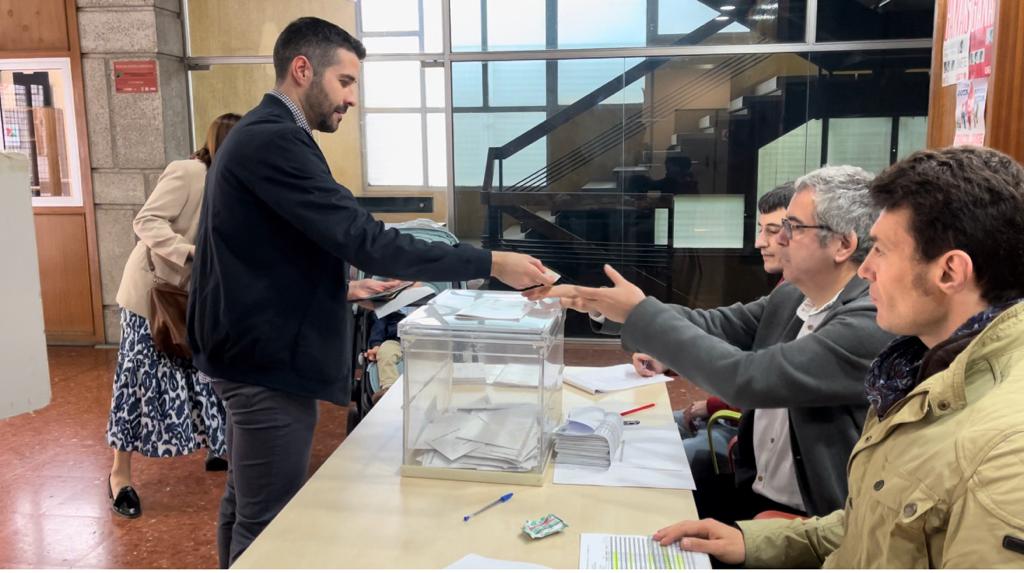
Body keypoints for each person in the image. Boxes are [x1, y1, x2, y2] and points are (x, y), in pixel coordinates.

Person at [186, 18, 552, 568]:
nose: (351, 99)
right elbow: (362, 236)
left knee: (244, 502)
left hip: (246, 349)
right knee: (267, 522)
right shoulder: (274, 138)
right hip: (265, 362)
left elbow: (269, 248)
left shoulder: (264, 133)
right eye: (345, 81)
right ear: (302, 69)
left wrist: (348, 287)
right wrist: (490, 261)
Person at [655, 146, 1024, 568]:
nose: (866, 271)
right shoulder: (914, 369)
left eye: (881, 252)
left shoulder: (1007, 443)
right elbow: (868, 526)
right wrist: (753, 540)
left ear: (949, 272)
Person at [529, 166, 893, 523]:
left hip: (813, 523)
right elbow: (714, 325)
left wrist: (639, 313)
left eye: (792, 228)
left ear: (844, 244)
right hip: (752, 491)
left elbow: (748, 380)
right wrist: (613, 309)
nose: (777, 240)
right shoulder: (793, 298)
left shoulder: (867, 321)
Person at [106, 112, 241, 519]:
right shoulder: (188, 172)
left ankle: (218, 448)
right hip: (151, 295)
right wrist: (190, 252)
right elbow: (145, 220)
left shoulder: (236, 184)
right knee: (138, 380)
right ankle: (119, 475)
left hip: (193, 296)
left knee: (207, 372)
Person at [634, 182, 795, 475]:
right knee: (642, 433)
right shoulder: (787, 292)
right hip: (744, 423)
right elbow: (720, 326)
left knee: (649, 459)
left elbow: (755, 378)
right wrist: (665, 356)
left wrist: (712, 404)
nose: (760, 242)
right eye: (761, 230)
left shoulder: (845, 316)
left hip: (752, 442)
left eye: (772, 231)